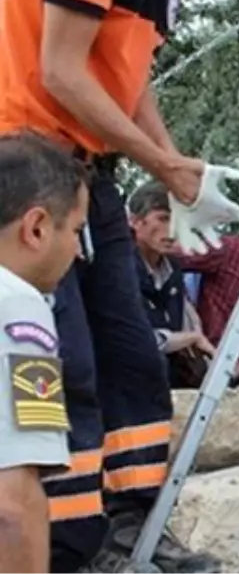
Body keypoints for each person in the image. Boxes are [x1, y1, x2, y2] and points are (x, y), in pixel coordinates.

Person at [0, 0, 239, 570]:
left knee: (133, 355)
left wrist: (178, 171)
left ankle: (132, 527)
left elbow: (123, 78)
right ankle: (64, 545)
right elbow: (61, 68)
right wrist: (161, 163)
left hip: (84, 167)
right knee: (62, 363)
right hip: (22, 161)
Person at [0, 133, 90, 574]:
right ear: (36, 228)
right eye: (75, 231)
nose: (78, 249)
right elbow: (11, 505)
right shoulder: (15, 304)